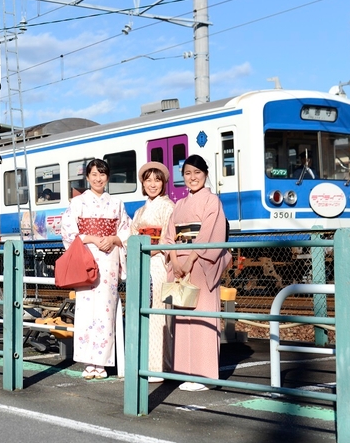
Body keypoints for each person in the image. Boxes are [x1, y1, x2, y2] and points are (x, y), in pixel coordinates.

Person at [163, 154, 231, 391]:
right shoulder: (179, 204)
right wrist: (174, 258)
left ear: (205, 175)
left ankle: (204, 375)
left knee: (201, 315)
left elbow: (211, 234)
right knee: (182, 319)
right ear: (183, 177)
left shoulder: (212, 201)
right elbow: (169, 236)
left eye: (197, 173)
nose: (193, 178)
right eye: (188, 173)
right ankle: (186, 371)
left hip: (201, 263)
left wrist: (190, 259)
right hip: (181, 263)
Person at [60, 158, 131, 380]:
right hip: (87, 257)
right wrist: (91, 237)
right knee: (85, 309)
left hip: (109, 260)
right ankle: (88, 361)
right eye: (94, 174)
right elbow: (68, 231)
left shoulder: (117, 204)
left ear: (107, 177)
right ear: (88, 177)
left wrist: (113, 238)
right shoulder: (78, 203)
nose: (98, 178)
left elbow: (127, 230)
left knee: (106, 309)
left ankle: (102, 362)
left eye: (102, 174)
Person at [128, 161, 175, 383]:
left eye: (157, 179)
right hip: (142, 264)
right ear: (143, 184)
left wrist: (149, 248)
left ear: (164, 182)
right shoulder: (139, 211)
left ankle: (160, 365)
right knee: (144, 312)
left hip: (158, 264)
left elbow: (168, 237)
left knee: (158, 312)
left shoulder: (169, 207)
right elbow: (131, 236)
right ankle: (145, 362)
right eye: (148, 180)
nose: (153, 184)